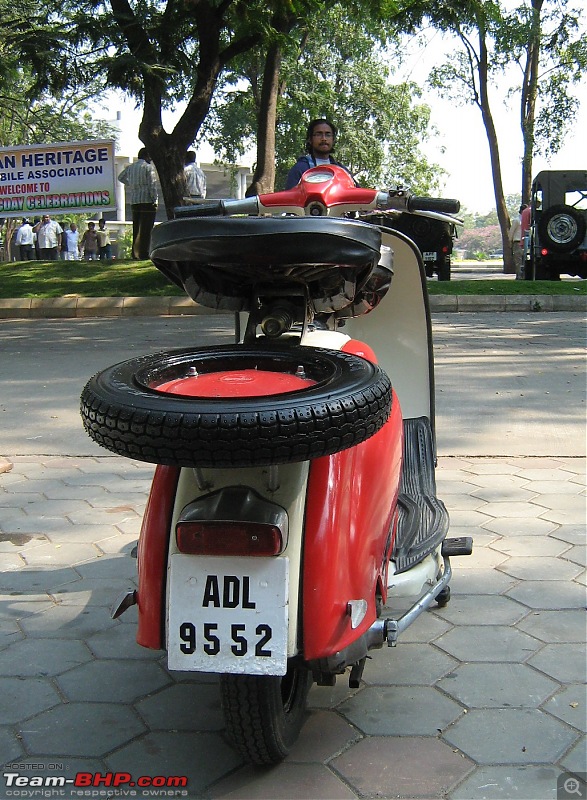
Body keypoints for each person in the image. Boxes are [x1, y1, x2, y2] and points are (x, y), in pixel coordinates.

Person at [285, 118, 355, 190]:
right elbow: (290, 198)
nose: (324, 138)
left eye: (328, 135)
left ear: (333, 139)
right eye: (319, 134)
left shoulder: (342, 170)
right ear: (310, 139)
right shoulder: (300, 168)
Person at [117, 148, 158, 259]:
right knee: (146, 228)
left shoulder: (131, 167)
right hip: (147, 200)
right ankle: (144, 253)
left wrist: (131, 184)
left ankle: (135, 254)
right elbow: (152, 185)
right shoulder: (148, 168)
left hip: (135, 200)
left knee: (137, 227)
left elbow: (120, 177)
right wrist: (155, 199)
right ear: (146, 156)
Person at [508, 204, 527, 279]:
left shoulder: (527, 220)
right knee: (518, 260)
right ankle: (519, 276)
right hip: (517, 241)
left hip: (525, 242)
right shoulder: (517, 220)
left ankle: (525, 275)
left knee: (524, 260)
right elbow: (511, 232)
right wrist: (510, 241)